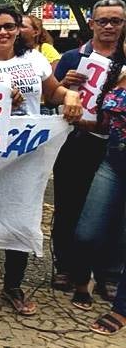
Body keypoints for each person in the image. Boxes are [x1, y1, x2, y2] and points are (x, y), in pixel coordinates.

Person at [0, 4, 82, 315]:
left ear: (19, 29)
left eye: (9, 26)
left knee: (23, 216)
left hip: (28, 154)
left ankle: (13, 285)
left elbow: (52, 93)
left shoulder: (36, 60)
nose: (3, 32)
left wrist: (70, 96)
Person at [51, 0, 126, 295]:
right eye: (103, 20)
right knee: (68, 205)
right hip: (77, 143)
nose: (109, 26)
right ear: (91, 23)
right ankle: (67, 267)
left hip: (116, 147)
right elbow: (50, 97)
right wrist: (65, 85)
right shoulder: (71, 56)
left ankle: (106, 272)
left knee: (113, 211)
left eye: (116, 21)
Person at [71, 46, 126, 315]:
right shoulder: (116, 73)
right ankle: (86, 277)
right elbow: (102, 121)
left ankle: (119, 305)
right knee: (86, 231)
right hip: (113, 162)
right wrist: (73, 118)